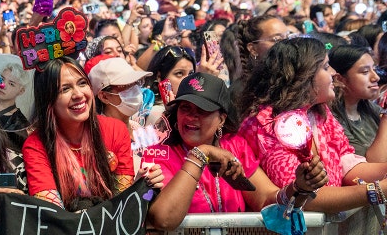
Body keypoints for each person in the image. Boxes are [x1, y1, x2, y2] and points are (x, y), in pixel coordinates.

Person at [146, 73, 327, 230]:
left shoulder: (235, 146)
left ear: (221, 119)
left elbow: (265, 199)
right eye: (185, 108)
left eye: (203, 110)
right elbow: (164, 219)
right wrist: (200, 154)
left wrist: (298, 187)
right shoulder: (158, 153)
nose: (192, 116)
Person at [239, 37, 387, 215]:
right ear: (303, 77)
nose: (333, 72)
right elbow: (303, 197)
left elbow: (348, 167)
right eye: (325, 67)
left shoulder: (318, 112)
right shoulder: (266, 123)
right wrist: (376, 191)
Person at [22, 57, 161, 211]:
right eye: (65, 89)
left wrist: (139, 188)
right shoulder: (35, 145)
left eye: (82, 83)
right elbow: (52, 213)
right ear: (49, 100)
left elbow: (121, 204)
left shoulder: (115, 130)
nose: (78, 94)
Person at [328, 45, 384, 160]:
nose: (376, 77)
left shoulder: (369, 107)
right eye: (365, 72)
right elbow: (374, 163)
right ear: (340, 79)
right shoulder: (333, 120)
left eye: (374, 69)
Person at [145, 46, 196, 126]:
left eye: (191, 74)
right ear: (159, 76)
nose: (188, 80)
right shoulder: (157, 112)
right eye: (179, 73)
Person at [0, 63, 30, 132]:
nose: (3, 85)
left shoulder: (20, 123)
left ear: (21, 91)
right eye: (2, 79)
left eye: (11, 84)